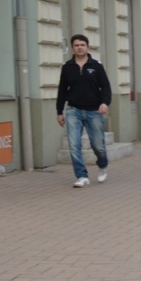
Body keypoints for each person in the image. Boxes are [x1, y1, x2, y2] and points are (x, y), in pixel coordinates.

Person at [56, 34, 112, 188]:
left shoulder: (96, 66)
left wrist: (105, 103)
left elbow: (106, 87)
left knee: (98, 145)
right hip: (73, 110)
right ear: (73, 48)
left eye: (82, 45)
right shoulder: (67, 67)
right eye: (76, 45)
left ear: (88, 47)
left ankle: (102, 165)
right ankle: (82, 176)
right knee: (74, 145)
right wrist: (59, 111)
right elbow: (62, 90)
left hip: (94, 111)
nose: (79, 47)